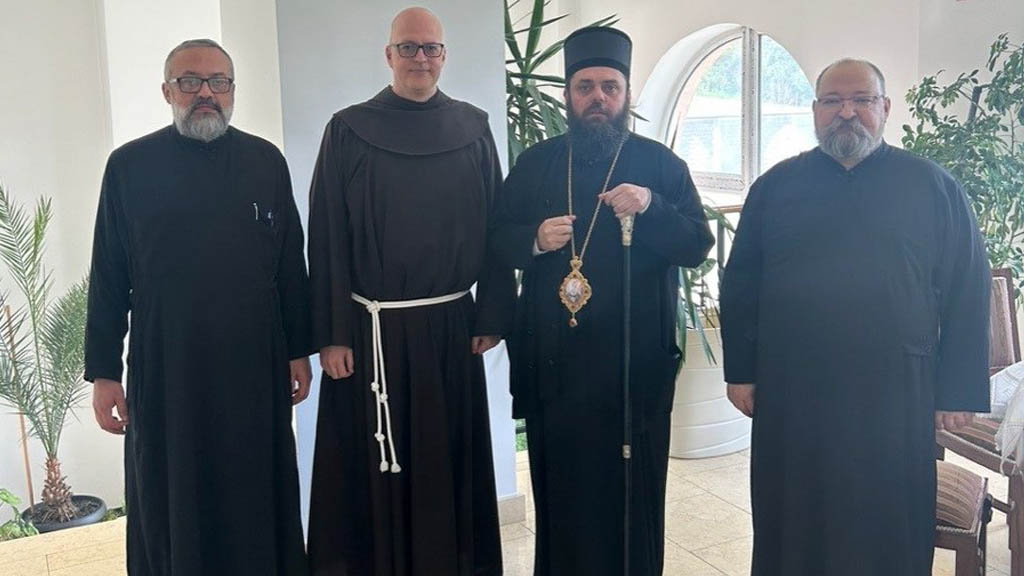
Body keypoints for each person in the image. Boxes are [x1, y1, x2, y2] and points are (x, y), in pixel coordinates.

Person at [720, 58, 991, 576]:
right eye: (833, 101)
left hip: (894, 391)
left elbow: (966, 287)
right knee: (793, 515)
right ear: (815, 111)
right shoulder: (774, 188)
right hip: (794, 388)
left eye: (862, 100)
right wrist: (741, 371)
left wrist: (957, 391)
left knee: (886, 518)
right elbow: (741, 285)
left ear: (884, 108)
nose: (847, 112)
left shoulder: (932, 186)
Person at [491, 26, 714, 576]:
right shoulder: (538, 162)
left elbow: (697, 245)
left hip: (631, 373)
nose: (598, 98)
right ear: (568, 94)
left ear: (626, 93)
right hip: (557, 371)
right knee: (563, 499)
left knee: (632, 503)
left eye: (609, 87)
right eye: (585, 86)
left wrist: (653, 206)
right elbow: (493, 238)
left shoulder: (659, 165)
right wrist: (533, 240)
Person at [86, 39, 311, 575]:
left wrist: (298, 350)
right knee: (171, 490)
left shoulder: (265, 162)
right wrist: (102, 372)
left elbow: (290, 268)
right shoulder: (129, 167)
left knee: (254, 485)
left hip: (254, 362)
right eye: (190, 81)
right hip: (167, 363)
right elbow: (109, 274)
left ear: (234, 91)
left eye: (219, 82)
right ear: (167, 90)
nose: (205, 93)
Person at [305, 7, 515, 576]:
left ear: (443, 56)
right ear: (388, 54)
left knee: (447, 465)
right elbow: (325, 237)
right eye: (409, 47)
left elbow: (498, 225)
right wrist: (331, 335)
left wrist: (491, 315)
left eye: (431, 48)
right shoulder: (347, 129)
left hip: (450, 327)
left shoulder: (473, 128)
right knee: (373, 471)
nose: (420, 58)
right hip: (369, 335)